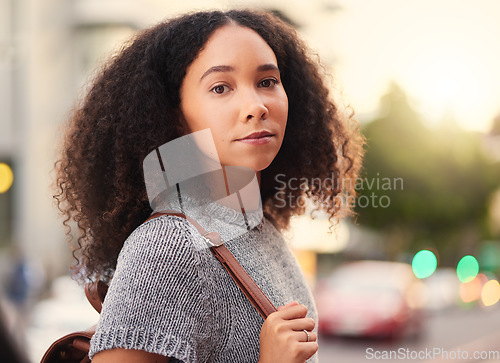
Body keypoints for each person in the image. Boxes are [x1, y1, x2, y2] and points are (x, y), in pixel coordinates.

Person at [54, 9, 363, 363]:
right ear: (174, 117)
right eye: (220, 87)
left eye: (267, 81)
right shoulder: (166, 248)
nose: (256, 106)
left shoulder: (260, 229)